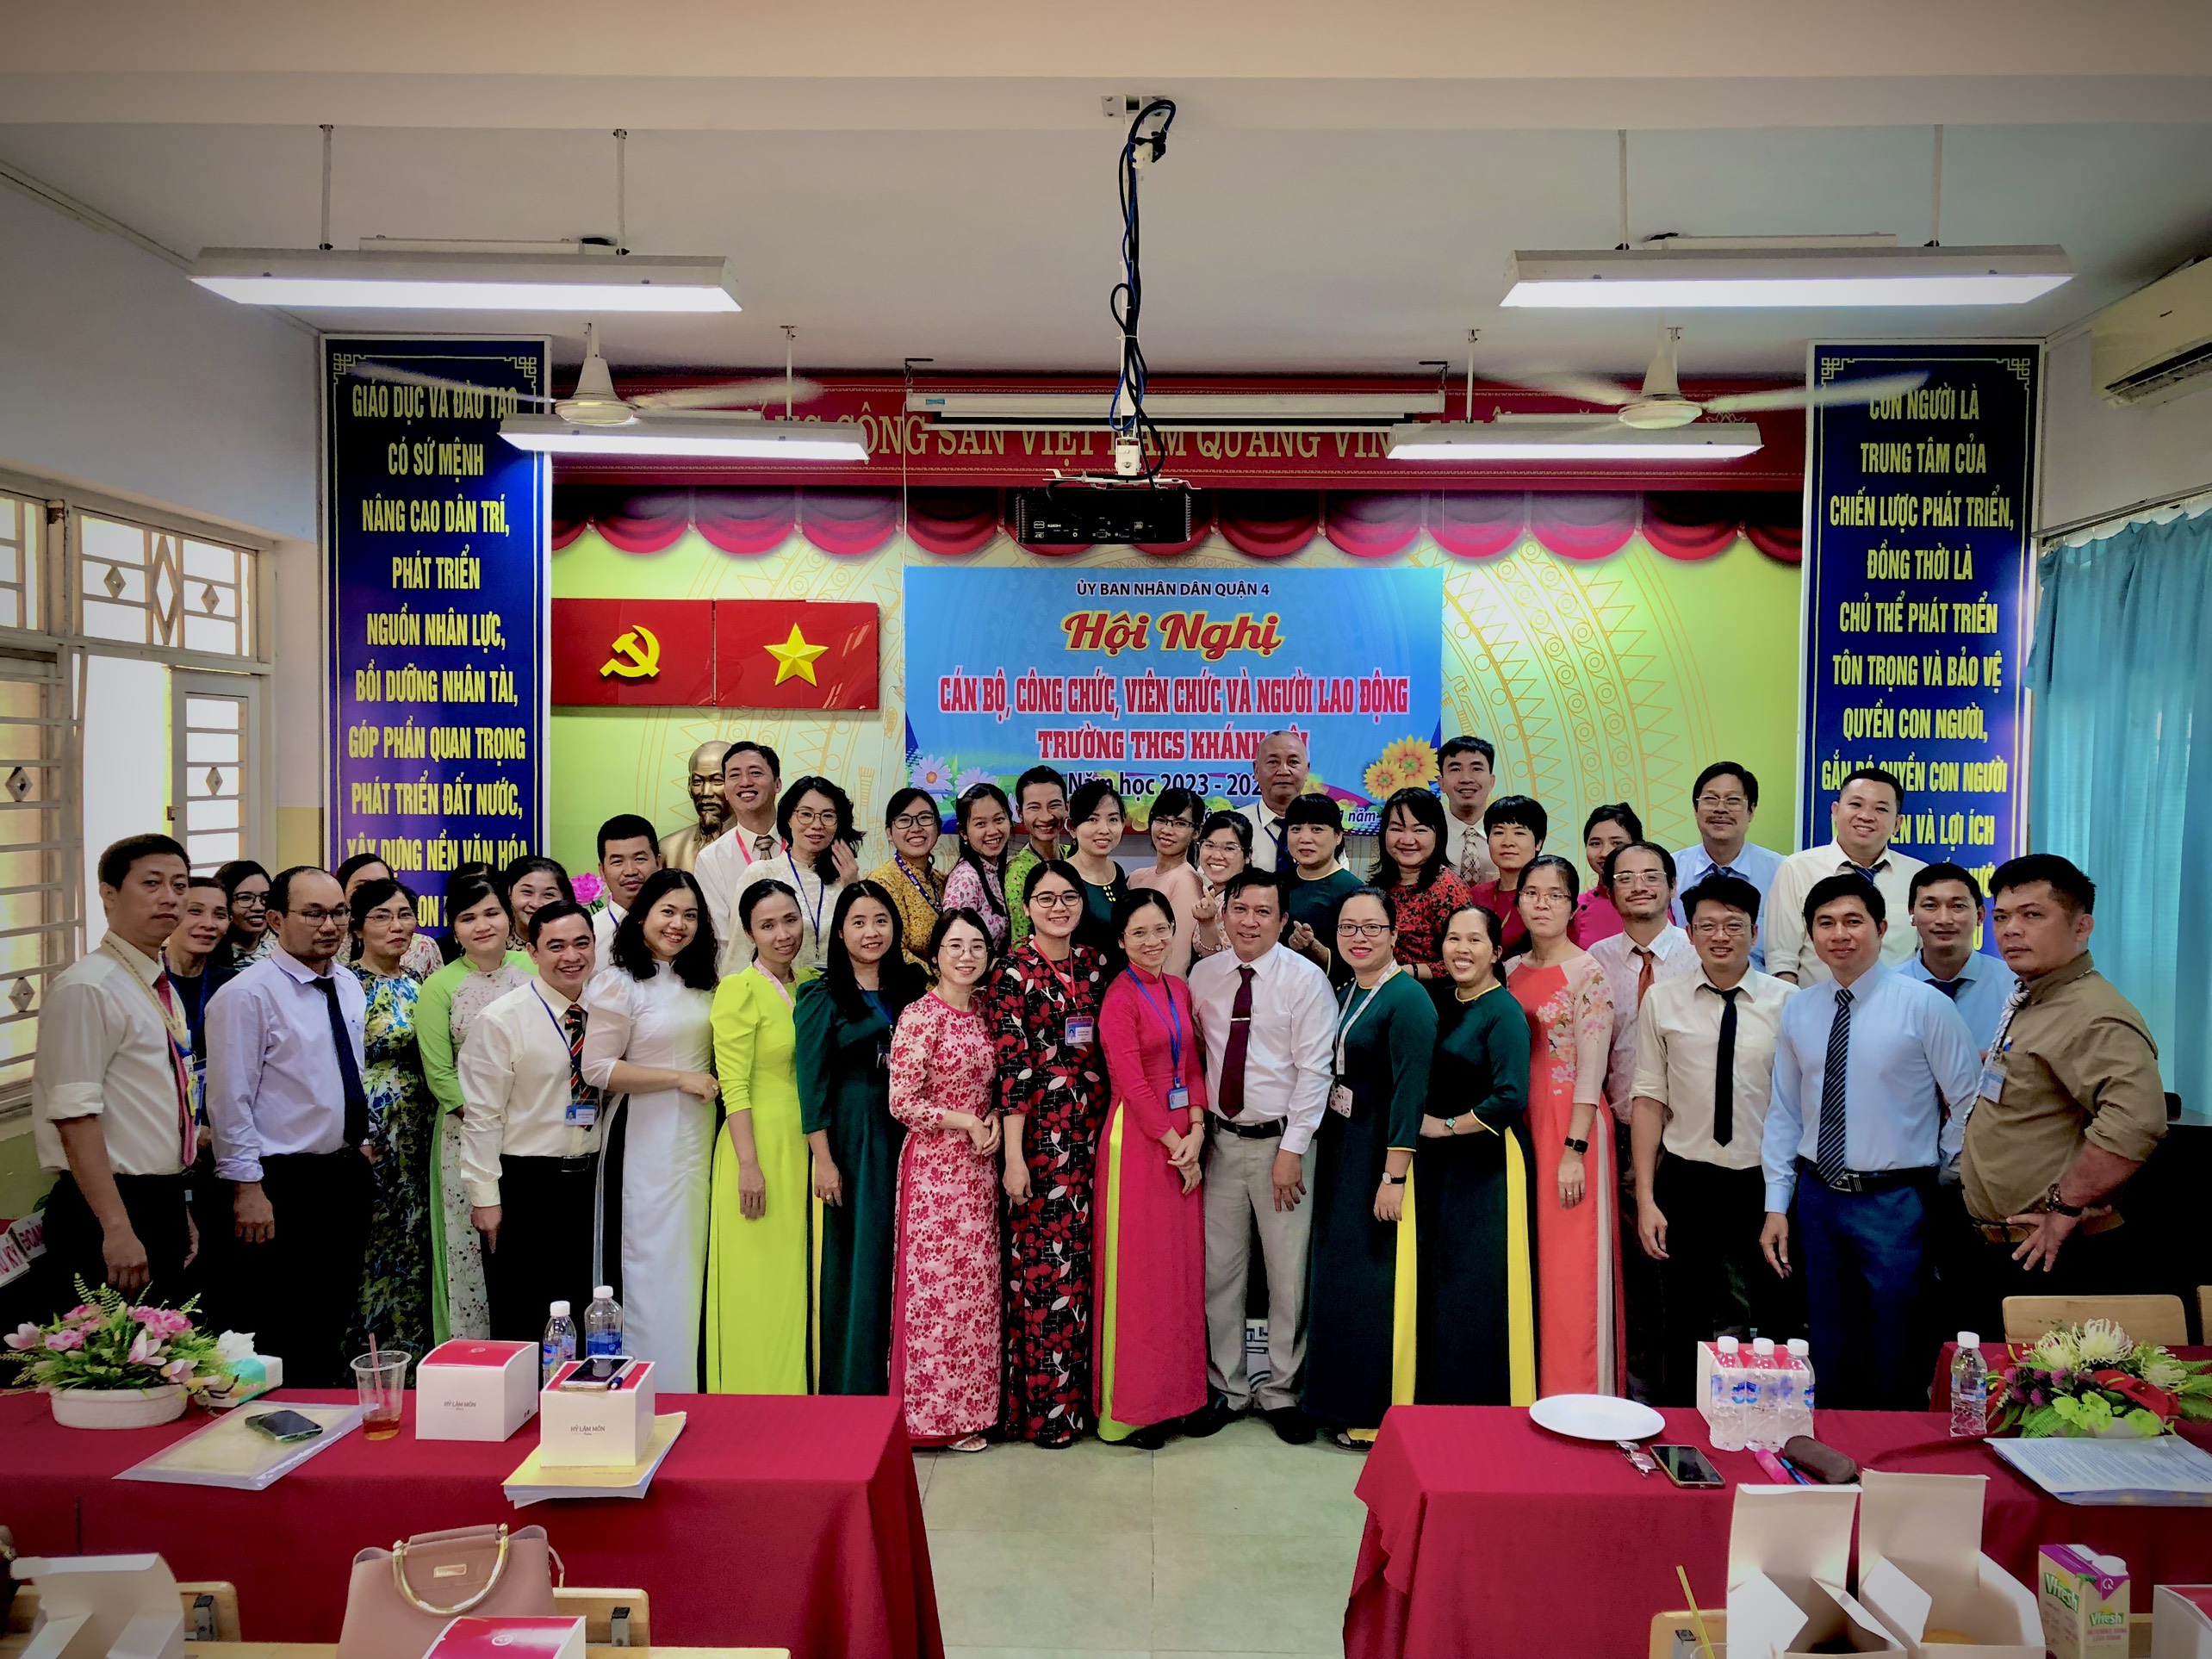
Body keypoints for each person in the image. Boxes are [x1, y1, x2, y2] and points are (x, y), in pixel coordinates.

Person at [1760, 874, 1979, 1408]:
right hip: (1818, 1197)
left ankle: (1894, 1447)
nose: (1840, 934)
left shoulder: (1924, 1005)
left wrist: (1941, 1172)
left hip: (1896, 1200)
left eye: (1853, 921)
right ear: (1810, 935)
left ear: (1881, 929)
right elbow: (1785, 1112)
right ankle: (1835, 1445)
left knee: (1897, 1342)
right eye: (1826, 923)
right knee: (1829, 1340)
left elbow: (1969, 1101)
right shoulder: (1800, 1009)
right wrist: (1777, 1204)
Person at [1955, 855, 2168, 1338]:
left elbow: (2137, 1121)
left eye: (2033, 915)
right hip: (2007, 1248)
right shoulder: (2039, 998)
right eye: (2002, 916)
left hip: (2054, 1253)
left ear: (2081, 926)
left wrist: (2066, 1205)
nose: (2011, 930)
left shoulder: (2092, 1011)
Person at [1631, 873, 1796, 1405]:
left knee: (1773, 1312)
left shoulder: (1788, 1003)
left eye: (1733, 925)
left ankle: (1770, 1424)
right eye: (1707, 926)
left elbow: (1798, 1106)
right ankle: (1683, 1423)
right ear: (1690, 932)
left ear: (1754, 932)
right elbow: (1648, 1097)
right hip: (1687, 1177)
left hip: (1763, 1181)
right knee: (1683, 1316)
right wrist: (1646, 1197)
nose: (1720, 936)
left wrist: (1781, 1198)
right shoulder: (1663, 1000)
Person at [206, 866, 371, 1386]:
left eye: (339, 912)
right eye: (314, 914)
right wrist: (246, 1186)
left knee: (332, 1311)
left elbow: (345, 1074)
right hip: (279, 1180)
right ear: (276, 920)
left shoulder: (347, 984)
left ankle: (324, 1413)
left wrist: (360, 1142)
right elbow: (229, 1099)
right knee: (281, 1316)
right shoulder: (247, 994)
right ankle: (279, 1417)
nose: (330, 925)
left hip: (342, 1172)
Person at [1186, 869, 1333, 1443]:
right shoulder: (1204, 975)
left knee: (1286, 1273)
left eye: (1263, 912)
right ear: (1224, 913)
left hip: (1283, 1145)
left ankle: (1280, 1391)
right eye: (1240, 909)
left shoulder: (1305, 980)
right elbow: (1197, 1054)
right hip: (1221, 1143)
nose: (1249, 922)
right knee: (1220, 1271)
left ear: (1282, 919)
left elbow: (1315, 1072)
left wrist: (1292, 1150)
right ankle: (1228, 1387)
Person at [33, 836, 196, 1310]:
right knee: (114, 1350)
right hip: (110, 1205)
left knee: (166, 1346)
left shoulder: (152, 981)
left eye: (179, 885)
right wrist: (117, 1226)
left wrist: (178, 1206)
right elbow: (75, 1117)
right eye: (152, 883)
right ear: (108, 894)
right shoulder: (89, 988)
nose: (170, 897)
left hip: (159, 1194)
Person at [983, 857, 1110, 1446]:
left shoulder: (1094, 964)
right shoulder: (1011, 972)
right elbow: (1012, 1071)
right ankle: (1044, 1414)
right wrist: (1013, 1159)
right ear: (1027, 907)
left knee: (1083, 1273)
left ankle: (1083, 1406)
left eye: (1069, 897)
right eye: (1046, 898)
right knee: (1044, 1277)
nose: (1059, 908)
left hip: (1094, 1136)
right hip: (1039, 1143)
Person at [1302, 888, 1436, 1445]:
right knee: (1339, 1275)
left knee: (1371, 1281)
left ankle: (1369, 1412)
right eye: (1348, 928)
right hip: (1342, 1148)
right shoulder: (1346, 989)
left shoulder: (1408, 1000)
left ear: (1394, 934)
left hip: (1379, 1154)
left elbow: (1410, 1094)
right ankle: (1333, 1401)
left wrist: (1394, 1177)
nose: (1359, 938)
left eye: (1372, 928)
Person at [578, 869, 719, 1390]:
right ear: (641, 917)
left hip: (699, 1134)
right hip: (643, 1134)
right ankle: (647, 1384)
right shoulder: (618, 982)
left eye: (690, 915)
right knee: (649, 1259)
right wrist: (679, 1079)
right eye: (668, 912)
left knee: (692, 1254)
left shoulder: (703, 980)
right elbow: (598, 1068)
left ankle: (694, 1383)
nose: (678, 924)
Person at [457, 902, 604, 1342]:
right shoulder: (502, 1019)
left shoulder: (606, 1010)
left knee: (586, 1307)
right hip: (527, 1183)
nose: (571, 956)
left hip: (592, 1181)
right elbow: (482, 1118)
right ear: (532, 952)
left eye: (581, 943)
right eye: (556, 946)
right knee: (525, 1312)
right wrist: (485, 1199)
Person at [1094, 889, 1209, 1448]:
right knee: (1138, 1277)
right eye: (1139, 932)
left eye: (1161, 928)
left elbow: (1193, 1065)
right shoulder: (1119, 997)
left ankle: (1177, 1399)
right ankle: (1132, 1409)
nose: (1152, 940)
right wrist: (1173, 1140)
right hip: (1139, 1144)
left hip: (1183, 1137)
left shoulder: (1178, 987)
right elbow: (1131, 1083)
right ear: (1121, 941)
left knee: (1178, 1276)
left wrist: (1198, 1129)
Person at [800, 881, 925, 1395]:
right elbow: (812, 1084)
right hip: (857, 1136)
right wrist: (823, 1159)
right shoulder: (822, 994)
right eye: (858, 922)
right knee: (862, 1255)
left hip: (912, 1133)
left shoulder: (913, 985)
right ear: (840, 932)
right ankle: (856, 1385)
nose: (871, 932)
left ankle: (910, 1384)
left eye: (881, 920)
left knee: (909, 1254)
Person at [887, 909, 1003, 1450]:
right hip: (934, 1172)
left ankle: (972, 1412)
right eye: (955, 945)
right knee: (934, 1293)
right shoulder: (920, 1015)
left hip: (979, 1168)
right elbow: (902, 1101)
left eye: (976, 945)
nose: (966, 955)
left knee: (975, 1291)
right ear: (935, 954)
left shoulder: (986, 1012)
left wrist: (993, 1119)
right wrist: (964, 1121)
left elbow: (997, 1087)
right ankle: (930, 1419)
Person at [1584, 840, 1696, 1401]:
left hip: (1693, 1141)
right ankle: (1641, 1397)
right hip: (1625, 1137)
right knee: (1637, 1276)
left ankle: (1691, 1395)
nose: (1639, 886)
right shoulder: (1596, 961)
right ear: (1609, 892)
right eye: (1625, 878)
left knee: (1692, 1275)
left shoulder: (1701, 953)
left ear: (1672, 886)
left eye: (1651, 875)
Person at [1507, 854, 1621, 1398]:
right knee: (1529, 1260)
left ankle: (1577, 1393)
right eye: (1532, 893)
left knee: (1570, 1268)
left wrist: (1575, 1149)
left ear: (1573, 905)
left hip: (1571, 1127)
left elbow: (1592, 1070)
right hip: (1520, 1125)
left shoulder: (1588, 973)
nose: (1542, 903)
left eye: (1555, 894)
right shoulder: (1509, 969)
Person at [1414, 904, 1536, 1405]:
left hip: (1486, 1163)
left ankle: (1478, 1403)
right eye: (1453, 938)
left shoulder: (1503, 1011)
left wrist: (1445, 1127)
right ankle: (1435, 1398)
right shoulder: (1440, 1000)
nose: (1461, 949)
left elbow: (1510, 1097)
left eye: (1474, 940)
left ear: (1496, 952)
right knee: (1438, 1274)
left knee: (1474, 1280)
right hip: (1437, 1164)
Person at [413, 870, 531, 1342]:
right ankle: (471, 1353)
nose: (482, 925)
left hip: (533, 1134)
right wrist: (489, 1124)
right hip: (465, 1137)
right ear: (454, 928)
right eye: (467, 918)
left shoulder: (532, 969)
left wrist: (523, 1120)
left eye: (491, 913)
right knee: (470, 1245)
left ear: (509, 916)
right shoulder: (440, 986)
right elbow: (441, 1075)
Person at [705, 880, 811, 1393]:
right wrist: (748, 1164)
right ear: (748, 933)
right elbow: (734, 1085)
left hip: (804, 1142)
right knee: (759, 1275)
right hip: (758, 1143)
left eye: (790, 920)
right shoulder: (738, 990)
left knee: (795, 1273)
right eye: (767, 925)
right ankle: (755, 1393)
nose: (783, 934)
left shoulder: (809, 983)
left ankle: (799, 1389)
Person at [349, 877, 434, 1359]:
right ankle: (364, 1358)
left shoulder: (420, 983)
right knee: (372, 1238)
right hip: (371, 1132)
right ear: (358, 927)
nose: (397, 926)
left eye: (404, 914)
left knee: (415, 1235)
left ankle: (413, 1355)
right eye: (382, 916)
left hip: (420, 1126)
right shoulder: (346, 986)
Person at [1762, 767, 1925, 984]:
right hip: (1817, 1002)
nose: (1866, 816)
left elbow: (1928, 957)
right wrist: (1792, 1004)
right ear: (1835, 811)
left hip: (1900, 1003)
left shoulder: (1918, 876)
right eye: (1856, 804)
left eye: (1881, 809)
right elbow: (1782, 960)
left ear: (1897, 824)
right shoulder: (1797, 869)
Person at [724, 776, 860, 977]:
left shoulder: (848, 877)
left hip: (837, 988)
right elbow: (740, 950)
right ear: (789, 818)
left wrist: (853, 889)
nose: (817, 825)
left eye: (828, 816)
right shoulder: (761, 874)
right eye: (806, 814)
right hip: (777, 988)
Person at [1669, 762, 1785, 970]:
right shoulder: (1671, 870)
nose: (1720, 809)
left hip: (1761, 987)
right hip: (1686, 985)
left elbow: (1788, 953)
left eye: (1732, 800)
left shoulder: (1781, 871)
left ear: (1751, 811)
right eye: (1710, 799)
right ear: (1695, 809)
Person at [1898, 862, 2019, 1056]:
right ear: (1912, 914)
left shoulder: (2016, 986)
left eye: (1958, 906)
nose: (1944, 919)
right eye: (1930, 906)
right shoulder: (1887, 989)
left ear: (1980, 915)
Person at [1372, 786, 1473, 983]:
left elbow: (1465, 958)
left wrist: (1408, 971)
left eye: (1419, 830)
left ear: (1438, 834)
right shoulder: (1380, 886)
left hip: (1431, 993)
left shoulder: (1447, 889)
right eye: (1396, 829)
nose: (1407, 840)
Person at [693, 739, 785, 954]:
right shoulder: (711, 859)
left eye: (755, 773)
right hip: (742, 969)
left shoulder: (805, 843)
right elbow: (720, 939)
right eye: (734, 775)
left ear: (777, 784)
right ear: (726, 789)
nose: (745, 782)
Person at [1283, 792, 1363, 980]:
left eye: (1316, 829)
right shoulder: (1276, 882)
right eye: (1296, 829)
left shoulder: (1355, 893)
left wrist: (1314, 949)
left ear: (1338, 836)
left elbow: (1361, 962)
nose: (1305, 838)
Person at [165, 876, 236, 1084]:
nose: (209, 924)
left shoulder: (233, 985)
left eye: (219, 915)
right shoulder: (147, 979)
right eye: (195, 911)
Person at [1130, 786, 1206, 977]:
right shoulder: (1136, 877)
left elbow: (1177, 961)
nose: (1167, 830)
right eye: (1161, 820)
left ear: (1196, 831)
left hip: (1159, 989)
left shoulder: (1186, 881)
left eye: (1180, 823)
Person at [868, 786, 948, 962]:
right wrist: (941, 977)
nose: (916, 828)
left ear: (938, 826)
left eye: (925, 818)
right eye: (904, 820)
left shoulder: (943, 881)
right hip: (907, 978)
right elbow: (892, 950)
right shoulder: (883, 882)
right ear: (889, 832)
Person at [338, 854, 444, 979]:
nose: (375, 894)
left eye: (384, 885)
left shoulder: (422, 948)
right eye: (362, 888)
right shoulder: (333, 947)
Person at [1467, 795, 1546, 960]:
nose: (1507, 842)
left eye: (1519, 833)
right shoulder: (1476, 895)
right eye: (1499, 832)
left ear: (1538, 842)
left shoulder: (1547, 899)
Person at [1066, 779, 1133, 972]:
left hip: (1121, 981)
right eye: (1092, 819)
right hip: (1076, 982)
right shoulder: (1061, 877)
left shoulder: (1118, 871)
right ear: (1072, 827)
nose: (1104, 830)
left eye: (1113, 819)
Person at [941, 781, 1016, 950]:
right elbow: (955, 949)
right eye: (981, 824)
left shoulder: (998, 870)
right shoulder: (966, 879)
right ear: (963, 832)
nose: (993, 831)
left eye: (999, 819)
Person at [1005, 765, 1070, 950]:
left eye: (1054, 805)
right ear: (1020, 813)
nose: (1046, 817)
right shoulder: (1018, 871)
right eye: (1034, 807)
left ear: (1067, 807)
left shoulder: (1076, 856)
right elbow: (1020, 943)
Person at [588, 814, 663, 959]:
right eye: (617, 861)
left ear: (658, 863)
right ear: (602, 870)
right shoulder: (589, 936)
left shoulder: (678, 930)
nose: (630, 871)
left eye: (639, 859)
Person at [1240, 730, 1310, 873]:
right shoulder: (1234, 826)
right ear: (1256, 770)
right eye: (1273, 762)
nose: (1283, 771)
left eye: (1293, 762)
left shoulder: (1324, 828)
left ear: (1307, 770)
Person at [660, 738, 734, 872]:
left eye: (717, 781)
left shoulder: (760, 844)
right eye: (697, 782)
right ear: (689, 787)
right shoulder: (669, 850)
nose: (706, 792)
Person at [1188, 810, 1252, 963]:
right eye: (1209, 845)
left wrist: (1207, 924)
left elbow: (1225, 966)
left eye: (1229, 848)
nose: (1216, 856)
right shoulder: (1210, 891)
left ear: (1248, 855)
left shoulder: (1247, 900)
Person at [1575, 804, 1642, 947]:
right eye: (1595, 843)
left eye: (1616, 843)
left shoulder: (1654, 900)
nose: (1605, 853)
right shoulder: (1574, 908)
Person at [1439, 736, 1500, 884]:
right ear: (1441, 783)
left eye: (1476, 769)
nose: (1466, 779)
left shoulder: (1515, 838)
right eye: (1455, 769)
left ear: (1491, 781)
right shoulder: (1427, 837)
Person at [502, 855, 575, 951]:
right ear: (510, 892)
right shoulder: (493, 944)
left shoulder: (576, 944)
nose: (536, 904)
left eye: (548, 894)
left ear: (564, 898)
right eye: (527, 892)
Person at [215, 859, 273, 966]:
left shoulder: (282, 955)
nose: (259, 907)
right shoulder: (204, 958)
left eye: (265, 897)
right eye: (245, 898)